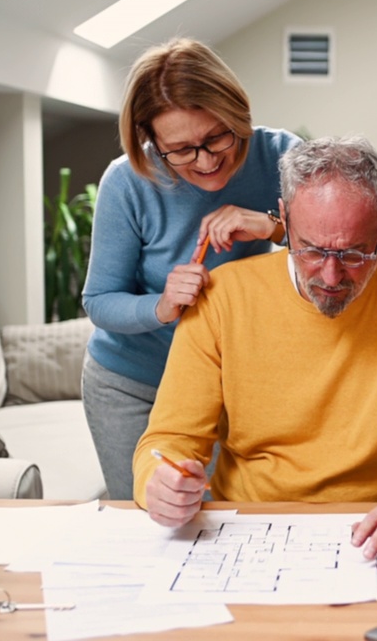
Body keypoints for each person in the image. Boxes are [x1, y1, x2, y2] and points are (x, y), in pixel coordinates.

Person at [133, 136, 377, 565]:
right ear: (282, 218)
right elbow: (169, 442)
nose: (331, 275)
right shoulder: (222, 298)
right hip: (250, 533)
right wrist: (160, 483)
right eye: (312, 250)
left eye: (355, 253)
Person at [81, 37, 303, 500]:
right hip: (133, 384)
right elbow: (99, 301)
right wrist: (161, 306)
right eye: (180, 150)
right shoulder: (126, 182)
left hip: (237, 384)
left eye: (217, 136)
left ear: (237, 113)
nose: (205, 161)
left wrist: (273, 226)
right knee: (152, 524)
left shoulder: (284, 156)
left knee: (229, 524)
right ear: (152, 141)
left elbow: (346, 251)